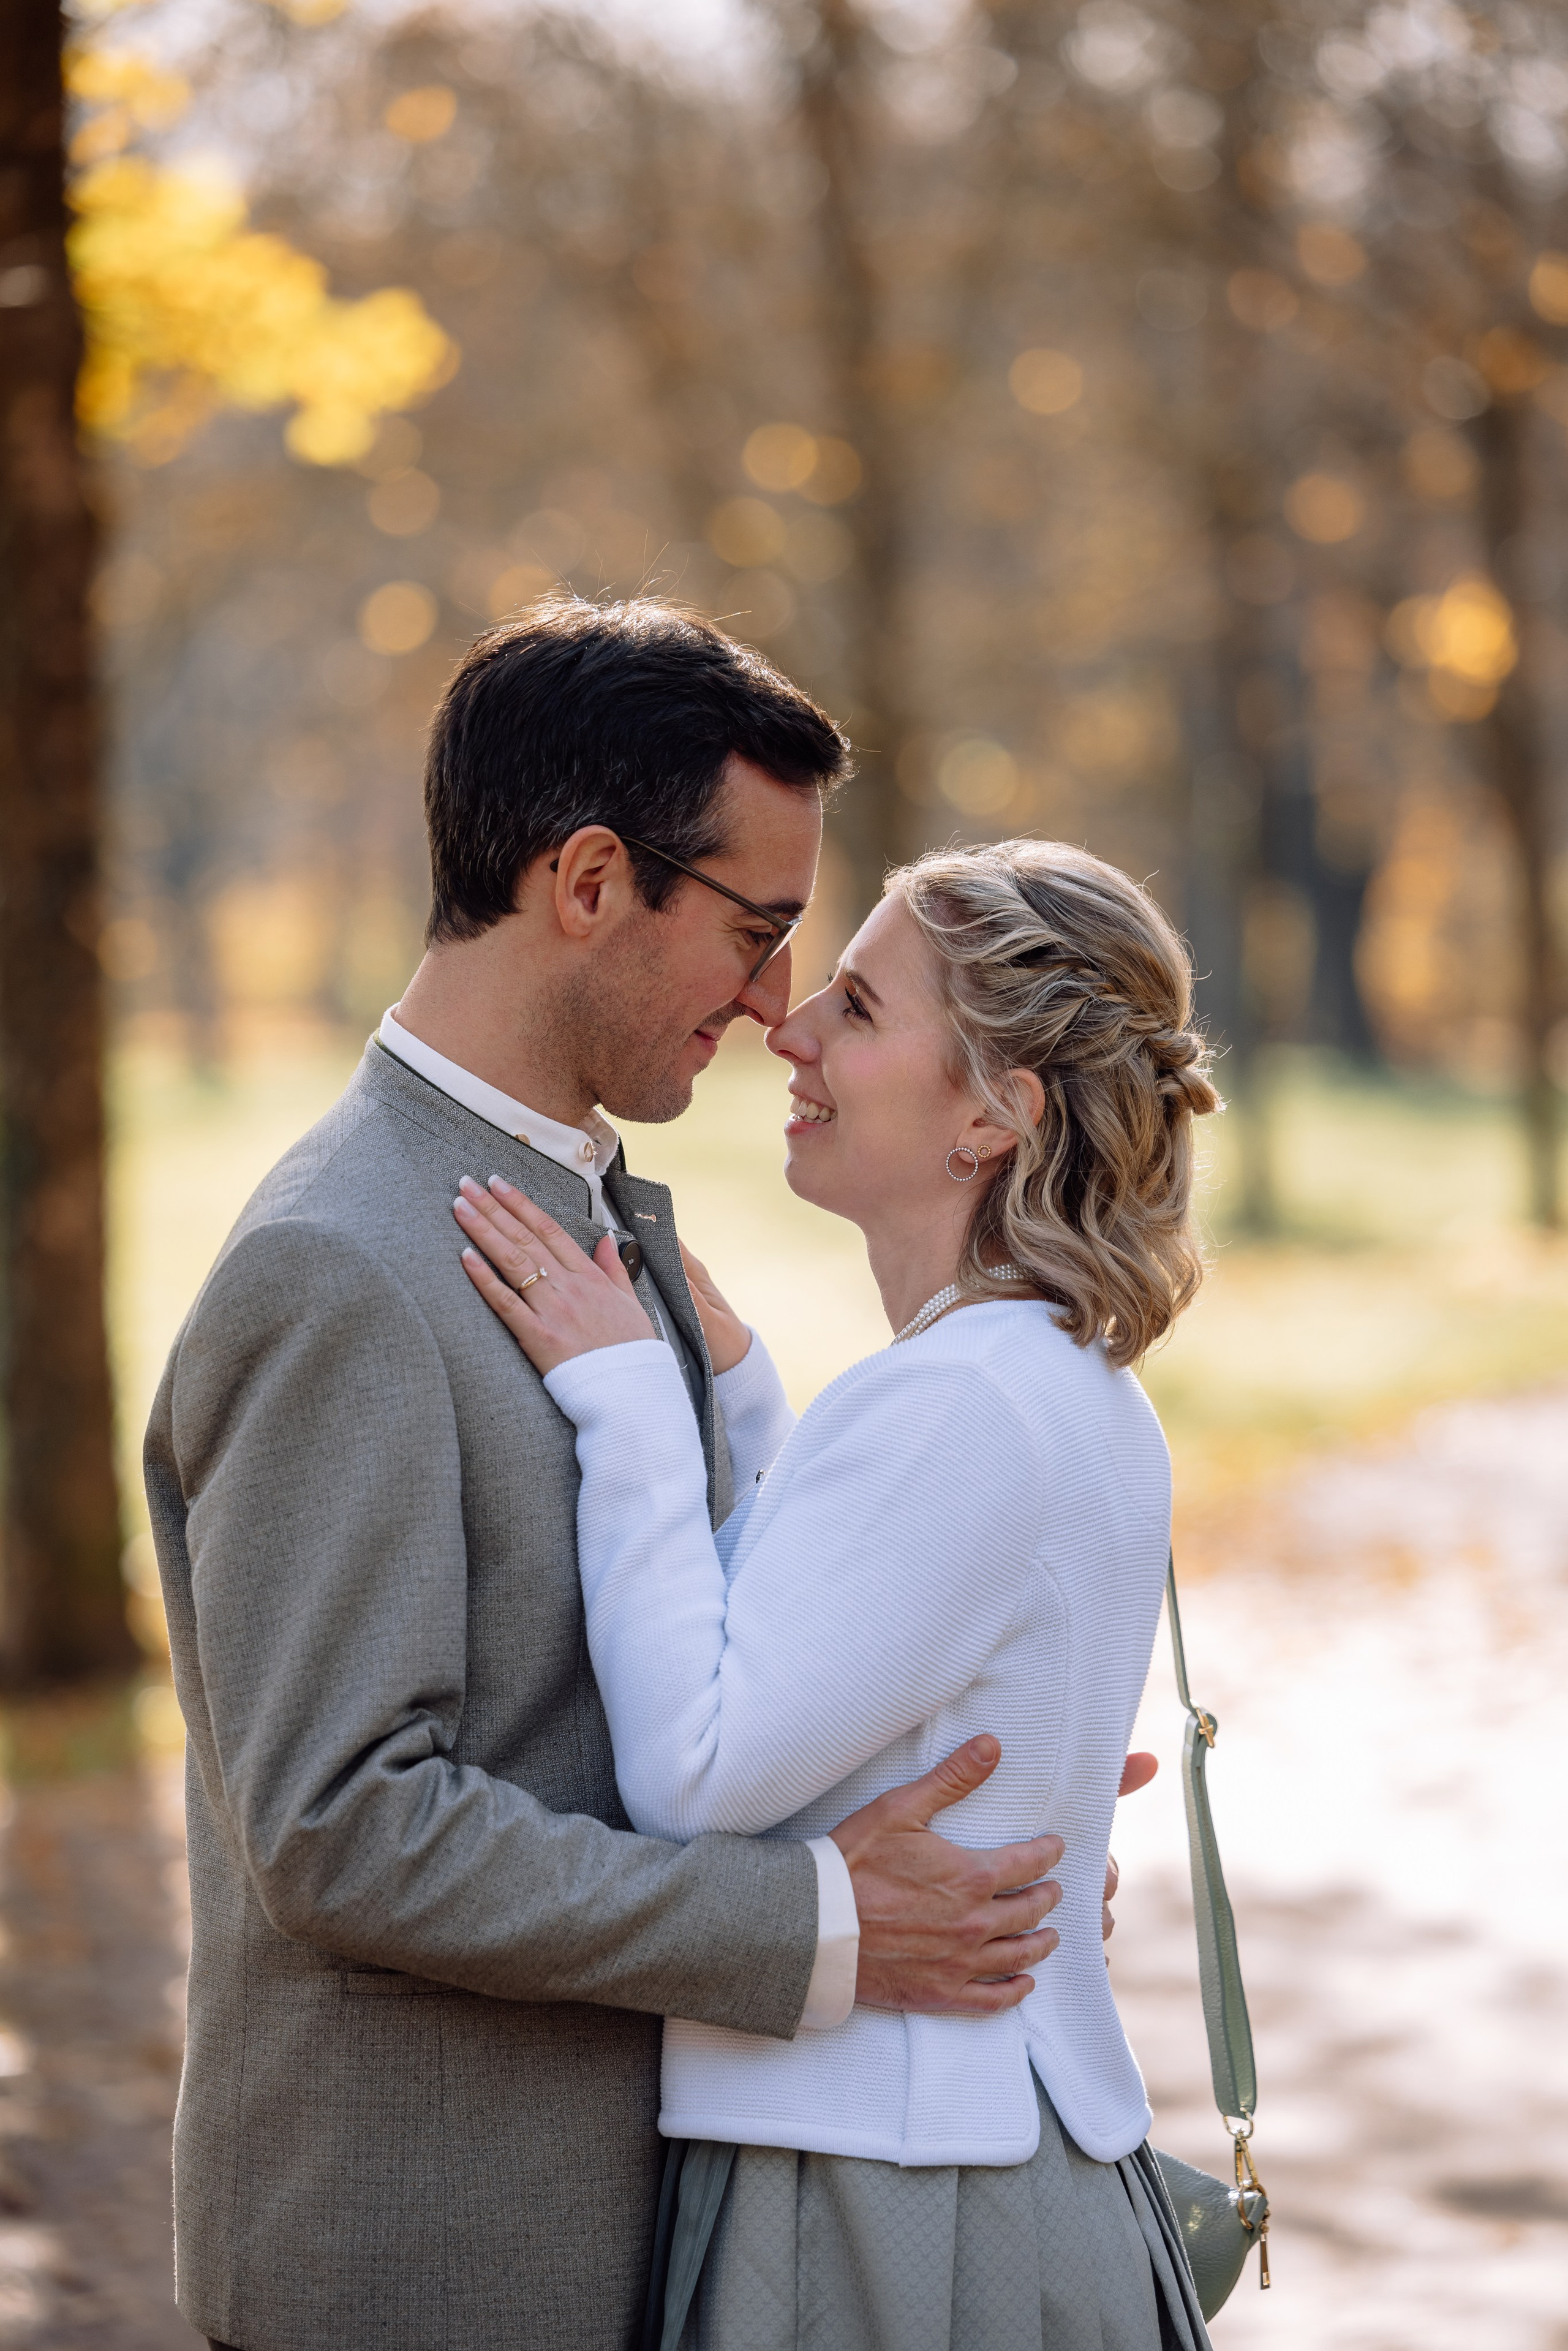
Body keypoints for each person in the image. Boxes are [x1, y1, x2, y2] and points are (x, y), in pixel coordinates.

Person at [145, 599, 1132, 2351]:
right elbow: (339, 1825)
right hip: (431, 2259)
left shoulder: (587, 1226)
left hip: (640, 2227)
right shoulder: (344, 1265)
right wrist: (820, 1915)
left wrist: (943, 1779)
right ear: (590, 881)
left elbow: (695, 1654)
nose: (773, 1005)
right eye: (756, 930)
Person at [455, 830, 1221, 2351]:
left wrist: (625, 1401)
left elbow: (698, 1769)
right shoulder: (1047, 1377)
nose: (786, 1026)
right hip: (972, 2164)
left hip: (889, 2196)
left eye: (860, 1009)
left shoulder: (958, 1403)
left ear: (996, 1113)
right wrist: (744, 1409)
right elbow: (886, 1641)